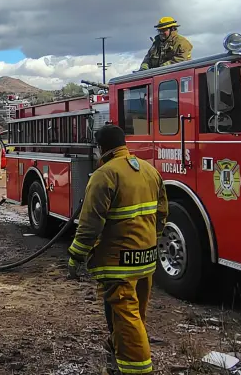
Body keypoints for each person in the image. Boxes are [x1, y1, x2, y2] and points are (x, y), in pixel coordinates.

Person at [67, 125, 168, 375]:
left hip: (117, 261)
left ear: (101, 148)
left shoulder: (105, 174)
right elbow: (162, 214)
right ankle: (116, 348)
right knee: (135, 315)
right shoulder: (149, 170)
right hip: (146, 259)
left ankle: (137, 369)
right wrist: (148, 242)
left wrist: (76, 257)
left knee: (126, 317)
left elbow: (90, 224)